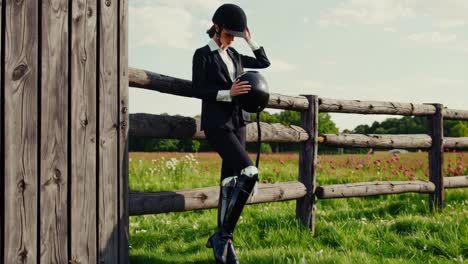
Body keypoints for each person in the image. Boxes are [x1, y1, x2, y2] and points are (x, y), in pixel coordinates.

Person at [191, 3, 270, 264]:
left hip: (239, 123)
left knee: (229, 182)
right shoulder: (202, 55)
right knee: (250, 172)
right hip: (218, 124)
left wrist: (249, 38)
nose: (231, 38)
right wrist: (228, 94)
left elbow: (263, 62)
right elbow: (198, 89)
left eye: (235, 35)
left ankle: (224, 244)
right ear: (216, 28)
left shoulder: (235, 54)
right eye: (228, 34)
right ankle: (223, 237)